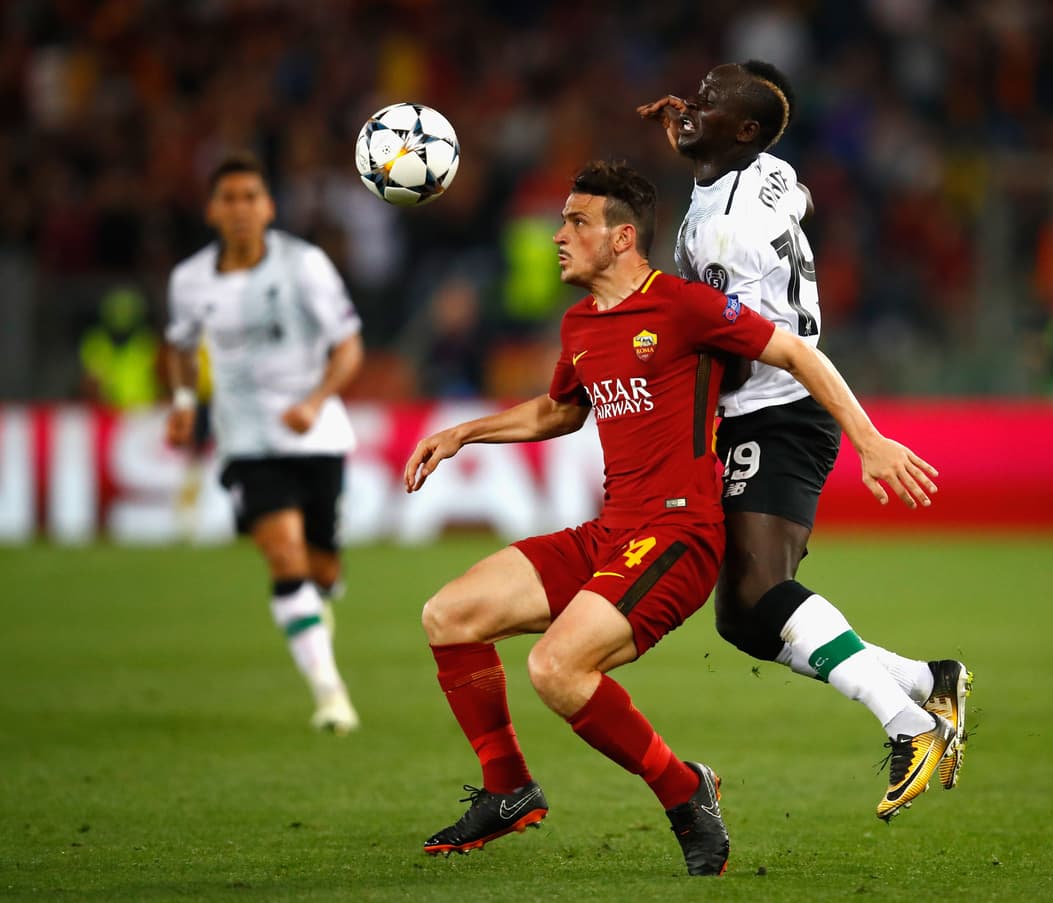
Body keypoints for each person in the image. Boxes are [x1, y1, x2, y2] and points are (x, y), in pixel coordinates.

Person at [402, 161, 946, 875]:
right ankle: (508, 787)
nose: (558, 235)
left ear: (623, 237)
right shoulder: (580, 323)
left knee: (556, 668)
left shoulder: (684, 306)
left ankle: (686, 791)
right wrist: (464, 431)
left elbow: (793, 352)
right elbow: (561, 409)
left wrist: (868, 439)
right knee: (449, 614)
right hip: (610, 532)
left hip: (678, 533)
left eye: (576, 222)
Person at [638, 61, 971, 820]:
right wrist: (695, 142)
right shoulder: (770, 173)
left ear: (746, 132)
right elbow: (792, 191)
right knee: (742, 618)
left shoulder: (726, 230)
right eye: (698, 92)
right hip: (771, 410)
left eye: (711, 102)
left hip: (779, 408)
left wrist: (868, 437)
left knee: (759, 594)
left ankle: (911, 723)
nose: (692, 103)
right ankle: (928, 679)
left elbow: (765, 348)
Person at [164, 153, 363, 734]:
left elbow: (349, 345)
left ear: (269, 206)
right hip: (246, 439)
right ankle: (330, 694)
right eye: (229, 198)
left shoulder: (305, 266)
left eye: (251, 197)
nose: (241, 209)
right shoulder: (189, 280)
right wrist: (182, 405)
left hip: (316, 434)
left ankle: (318, 597)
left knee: (322, 569)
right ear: (212, 210)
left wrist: (316, 399)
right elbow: (179, 345)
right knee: (283, 554)